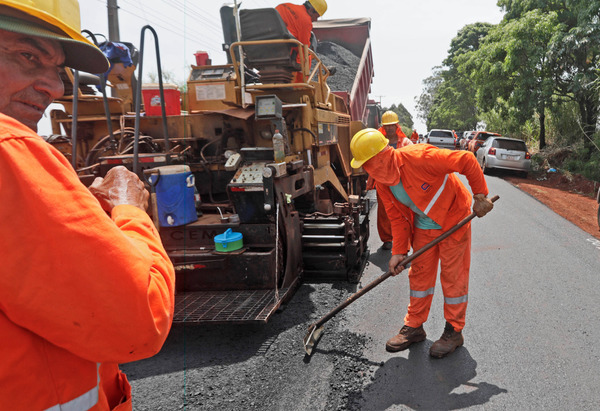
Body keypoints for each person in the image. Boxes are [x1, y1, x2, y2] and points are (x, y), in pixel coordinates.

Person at [0, 1, 175, 409]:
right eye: (28, 56)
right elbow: (139, 320)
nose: (57, 88)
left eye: (58, 70)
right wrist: (129, 209)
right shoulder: (10, 151)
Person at [350, 128, 493, 358]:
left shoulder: (420, 157)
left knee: (452, 276)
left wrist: (480, 195)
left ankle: (454, 331)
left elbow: (466, 159)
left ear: (384, 155)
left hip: (453, 219)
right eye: (365, 166)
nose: (368, 170)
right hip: (424, 226)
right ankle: (415, 327)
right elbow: (397, 218)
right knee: (420, 276)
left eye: (369, 164)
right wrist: (398, 252)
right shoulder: (383, 183)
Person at [370, 110, 412, 250]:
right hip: (383, 183)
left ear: (397, 126)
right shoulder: (377, 143)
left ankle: (404, 242)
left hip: (401, 184)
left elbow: (412, 161)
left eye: (391, 125)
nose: (389, 128)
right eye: (386, 126)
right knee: (384, 213)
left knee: (403, 213)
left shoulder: (406, 143)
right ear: (383, 127)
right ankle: (387, 239)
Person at [276, 0, 327, 82]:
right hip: (286, 52)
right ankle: (300, 85)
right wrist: (301, 66)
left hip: (266, 48)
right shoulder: (306, 21)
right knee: (308, 55)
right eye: (316, 16)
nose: (316, 20)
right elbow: (304, 47)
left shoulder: (283, 6)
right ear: (311, 10)